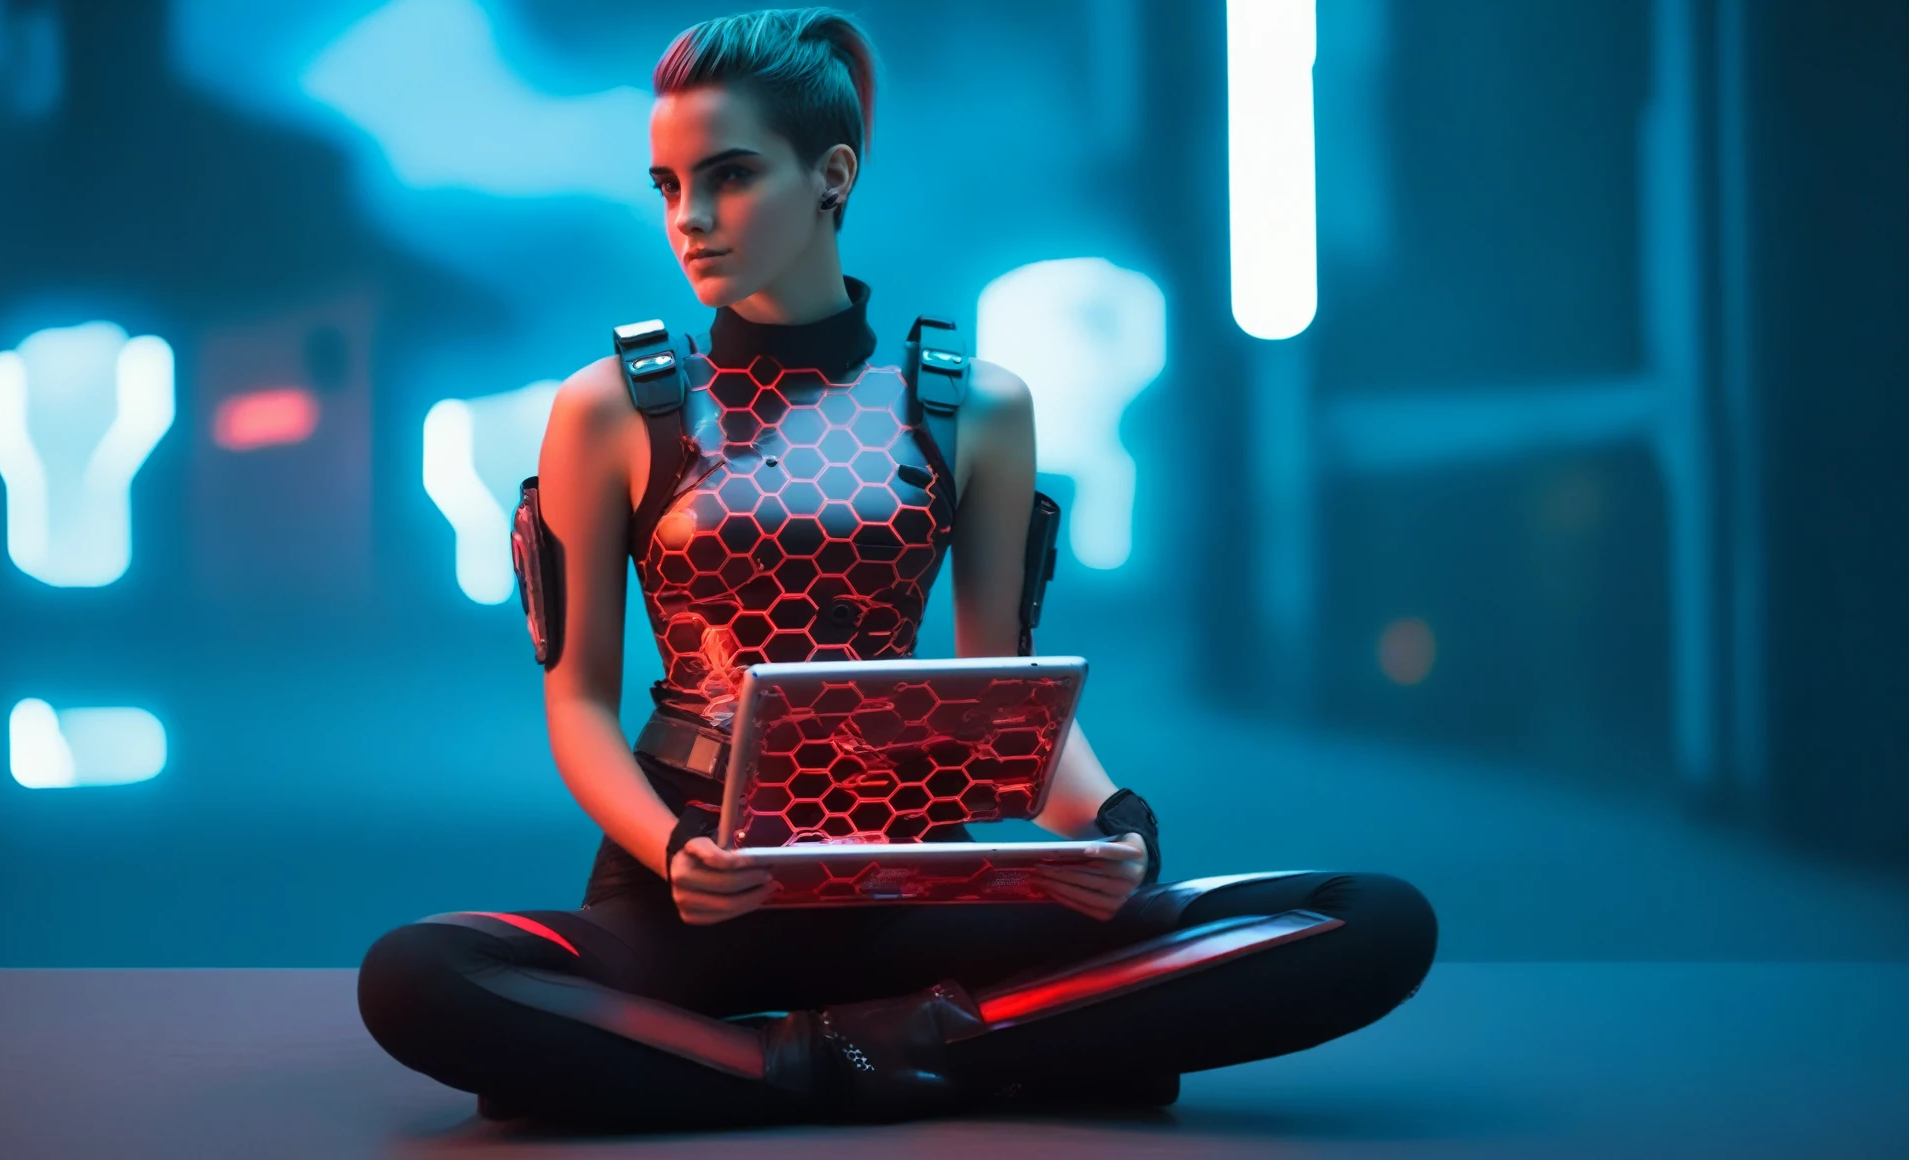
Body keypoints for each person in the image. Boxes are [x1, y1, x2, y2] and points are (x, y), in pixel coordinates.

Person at [358, 7, 1436, 1130]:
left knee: (1368, 914)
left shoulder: (971, 404)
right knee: (420, 974)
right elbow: (577, 706)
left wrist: (1112, 824)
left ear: (832, 175)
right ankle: (953, 1047)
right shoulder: (613, 407)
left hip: (913, 879)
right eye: (667, 185)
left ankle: (782, 1062)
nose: (691, 219)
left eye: (727, 176)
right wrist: (674, 850)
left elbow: (1006, 690)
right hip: (689, 894)